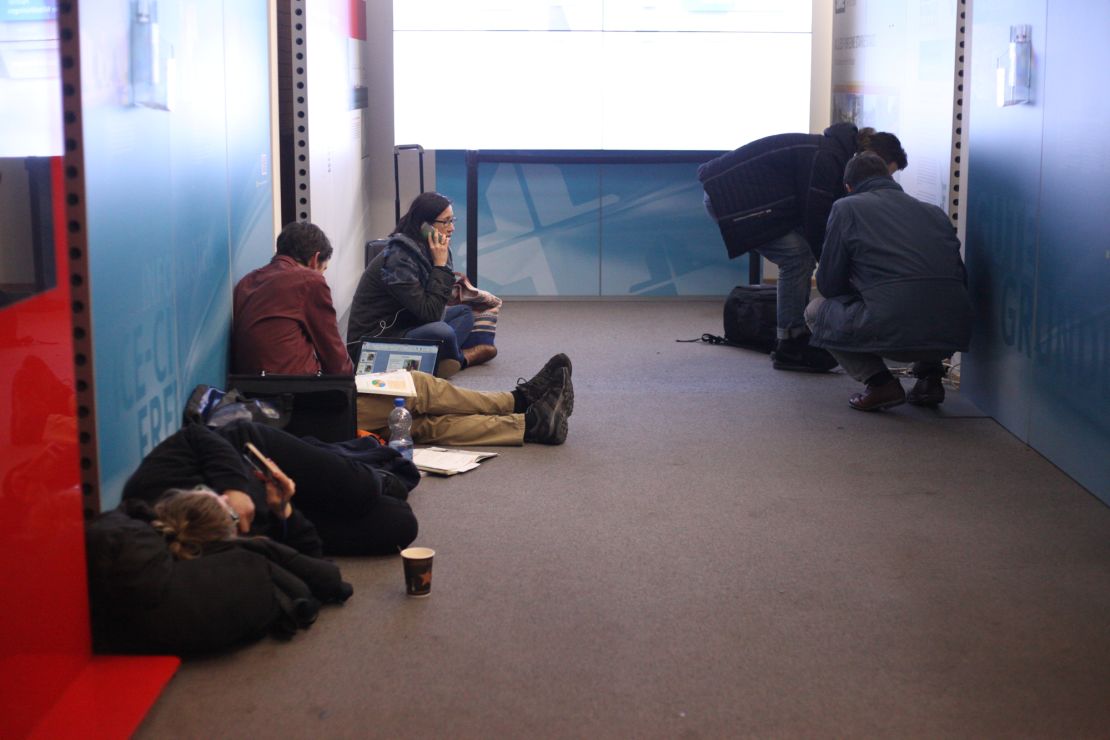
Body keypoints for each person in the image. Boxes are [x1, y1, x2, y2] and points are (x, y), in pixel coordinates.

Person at [698, 124, 908, 372]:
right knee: (797, 257)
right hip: (729, 197)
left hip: (747, 196)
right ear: (869, 160)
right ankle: (790, 343)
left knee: (803, 254)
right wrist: (834, 275)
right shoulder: (828, 160)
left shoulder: (835, 154)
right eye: (881, 176)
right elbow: (817, 223)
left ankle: (795, 330)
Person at [804, 152, 973, 411]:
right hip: (952, 330)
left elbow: (829, 285)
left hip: (896, 331)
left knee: (816, 311)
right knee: (927, 299)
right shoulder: (934, 211)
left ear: (848, 187)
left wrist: (860, 288)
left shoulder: (846, 207)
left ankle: (880, 383)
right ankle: (930, 380)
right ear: (889, 177)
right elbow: (958, 277)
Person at [121, 418, 419, 556]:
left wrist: (235, 488)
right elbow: (319, 573)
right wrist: (285, 512)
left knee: (368, 488)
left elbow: (197, 436)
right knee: (398, 523)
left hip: (253, 453)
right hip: (275, 508)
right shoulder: (205, 556)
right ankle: (338, 463)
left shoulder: (149, 486)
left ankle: (368, 467)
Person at [347, 192, 495, 378]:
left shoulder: (431, 247)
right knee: (442, 331)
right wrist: (440, 266)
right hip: (377, 339)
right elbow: (432, 315)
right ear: (424, 226)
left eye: (452, 220)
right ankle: (462, 359)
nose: (452, 228)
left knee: (465, 313)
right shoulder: (398, 259)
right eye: (446, 222)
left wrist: (441, 264)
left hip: (410, 321)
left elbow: (437, 306)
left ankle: (440, 357)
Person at [358, 354, 574, 446]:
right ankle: (518, 401)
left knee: (421, 425)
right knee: (415, 386)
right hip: (333, 408)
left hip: (333, 418)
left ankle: (532, 426)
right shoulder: (321, 285)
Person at [232, 221, 354, 376]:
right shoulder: (309, 281)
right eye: (323, 269)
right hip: (292, 390)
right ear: (315, 259)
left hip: (247, 388)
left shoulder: (247, 281)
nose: (323, 275)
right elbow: (333, 354)